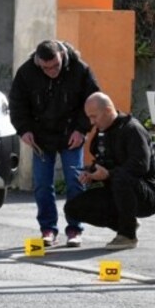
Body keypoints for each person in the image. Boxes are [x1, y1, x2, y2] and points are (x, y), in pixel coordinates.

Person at [9, 40, 100, 247]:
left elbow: (93, 100)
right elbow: (17, 104)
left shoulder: (80, 69)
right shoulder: (27, 72)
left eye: (56, 66)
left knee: (75, 182)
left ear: (62, 55)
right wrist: (24, 130)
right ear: (38, 61)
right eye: (46, 68)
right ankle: (48, 229)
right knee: (42, 184)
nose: (52, 71)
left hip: (71, 135)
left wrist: (81, 129)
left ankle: (75, 229)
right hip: (41, 137)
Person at [64, 92, 155, 250]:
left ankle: (127, 236)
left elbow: (140, 166)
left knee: (120, 178)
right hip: (116, 190)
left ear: (108, 110)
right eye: (89, 117)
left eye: (94, 116)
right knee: (73, 207)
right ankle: (127, 223)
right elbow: (102, 163)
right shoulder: (102, 133)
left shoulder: (132, 129)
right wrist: (91, 174)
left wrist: (109, 174)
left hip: (144, 194)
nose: (91, 122)